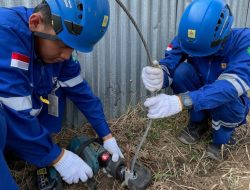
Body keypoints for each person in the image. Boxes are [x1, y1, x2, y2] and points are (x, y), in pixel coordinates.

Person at [0, 0, 123, 186]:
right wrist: (57, 157)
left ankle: (21, 150)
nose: (66, 56)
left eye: (71, 48)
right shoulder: (6, 31)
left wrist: (106, 135)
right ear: (35, 23)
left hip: (17, 121)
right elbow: (13, 108)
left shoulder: (58, 56)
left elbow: (82, 93)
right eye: (63, 45)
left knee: (56, 95)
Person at [142, 0, 250, 161]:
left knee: (226, 96)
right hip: (199, 95)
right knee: (181, 72)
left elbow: (231, 86)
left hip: (225, 99)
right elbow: (171, 61)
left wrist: (181, 101)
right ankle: (198, 123)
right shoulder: (190, 36)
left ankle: (221, 139)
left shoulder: (244, 41)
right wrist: (161, 75)